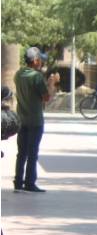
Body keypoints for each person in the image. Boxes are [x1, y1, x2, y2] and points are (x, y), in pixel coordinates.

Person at [13, 47, 53, 192]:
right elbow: (46, 98)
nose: (41, 62)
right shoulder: (36, 77)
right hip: (35, 120)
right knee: (32, 153)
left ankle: (18, 182)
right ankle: (30, 183)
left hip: (21, 119)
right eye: (40, 59)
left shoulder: (18, 74)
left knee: (21, 153)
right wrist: (51, 83)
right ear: (35, 61)